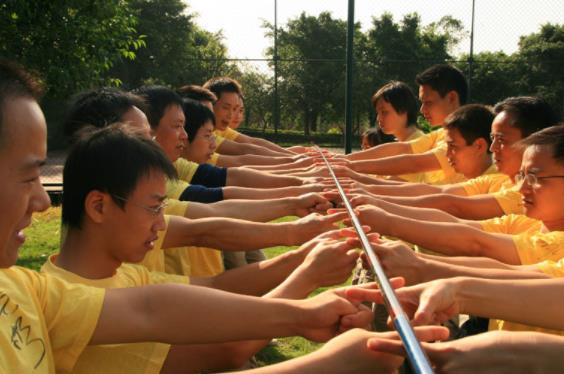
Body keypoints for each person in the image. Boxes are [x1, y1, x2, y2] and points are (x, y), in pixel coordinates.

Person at [0, 58, 409, 373]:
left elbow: (166, 302)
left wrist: (304, 280)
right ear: (99, 204)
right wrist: (320, 332)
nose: (41, 201)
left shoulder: (27, 290)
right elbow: (214, 224)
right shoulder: (64, 287)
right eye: (28, 176)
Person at [43, 123, 371, 373]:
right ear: (99, 207)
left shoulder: (117, 273)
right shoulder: (71, 306)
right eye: (154, 208)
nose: (161, 224)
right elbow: (222, 351)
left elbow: (216, 286)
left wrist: (302, 260)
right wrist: (332, 352)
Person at [349, 96, 559, 220]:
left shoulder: (519, 192)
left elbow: (453, 208)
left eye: (428, 102)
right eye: (492, 138)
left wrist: (350, 174)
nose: (493, 148)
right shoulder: (498, 180)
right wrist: (356, 185)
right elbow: (439, 194)